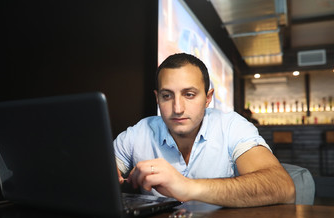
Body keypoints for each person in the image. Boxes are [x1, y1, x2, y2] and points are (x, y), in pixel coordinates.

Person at [114, 53, 295, 207]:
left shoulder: (231, 126)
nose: (177, 108)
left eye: (189, 95)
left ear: (208, 98)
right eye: (167, 96)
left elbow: (283, 187)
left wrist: (187, 187)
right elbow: (98, 175)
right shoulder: (139, 132)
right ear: (157, 98)